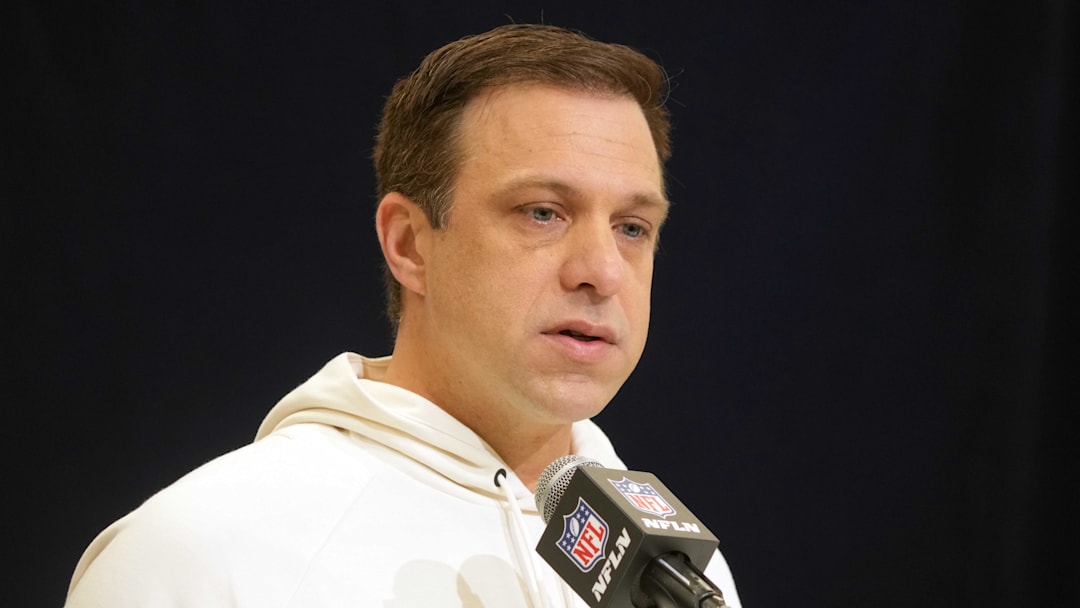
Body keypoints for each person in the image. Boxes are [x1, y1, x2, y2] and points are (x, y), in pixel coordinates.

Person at [64, 23, 742, 607]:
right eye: (543, 212)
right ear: (410, 245)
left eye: (632, 226)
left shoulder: (678, 575)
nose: (601, 270)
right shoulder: (202, 554)